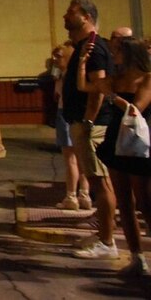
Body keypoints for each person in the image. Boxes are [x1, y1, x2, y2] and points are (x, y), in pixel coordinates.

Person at [78, 35, 151, 277]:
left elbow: (135, 109)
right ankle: (136, 257)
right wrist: (81, 63)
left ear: (129, 54)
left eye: (117, 50)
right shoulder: (114, 79)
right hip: (116, 142)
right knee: (124, 202)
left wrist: (111, 96)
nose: (113, 54)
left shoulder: (147, 79)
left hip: (139, 145)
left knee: (145, 202)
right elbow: (85, 87)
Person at [58, 0, 117, 261]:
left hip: (93, 125)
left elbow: (99, 90)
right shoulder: (83, 46)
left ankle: (107, 242)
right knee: (97, 181)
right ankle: (104, 234)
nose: (65, 16)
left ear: (86, 16)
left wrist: (88, 122)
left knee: (101, 183)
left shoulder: (94, 48)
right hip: (83, 123)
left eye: (71, 13)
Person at [50, 42, 92, 210]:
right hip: (77, 116)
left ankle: (71, 196)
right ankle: (84, 195)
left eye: (59, 56)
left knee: (71, 159)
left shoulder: (68, 75)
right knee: (81, 158)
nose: (55, 59)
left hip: (66, 114)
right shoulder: (72, 73)